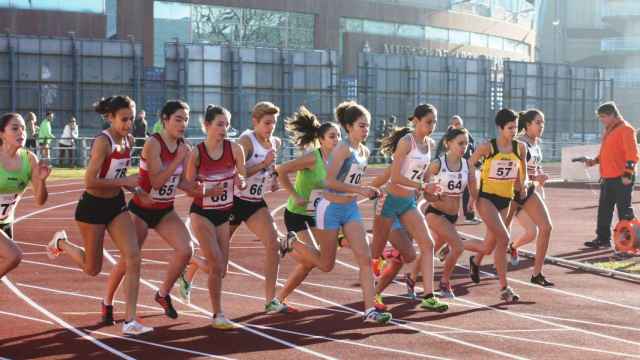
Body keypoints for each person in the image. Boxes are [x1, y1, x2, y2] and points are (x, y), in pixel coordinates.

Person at [46, 96, 153, 335]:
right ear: (110, 118)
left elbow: (120, 174)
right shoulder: (102, 142)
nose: (128, 124)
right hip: (92, 207)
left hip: (115, 205)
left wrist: (135, 190)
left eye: (131, 119)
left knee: (133, 256)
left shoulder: (129, 139)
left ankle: (130, 320)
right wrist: (126, 180)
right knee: (92, 268)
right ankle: (61, 242)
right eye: (124, 119)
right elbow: (90, 180)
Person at [102, 100, 197, 326]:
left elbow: (182, 182)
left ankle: (162, 294)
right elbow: (155, 181)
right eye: (178, 119)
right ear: (164, 119)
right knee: (128, 260)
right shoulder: (153, 144)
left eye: (186, 120)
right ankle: (107, 301)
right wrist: (178, 159)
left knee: (186, 250)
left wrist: (204, 189)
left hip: (165, 209)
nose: (183, 124)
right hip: (141, 210)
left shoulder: (183, 146)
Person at [314, 100, 392, 324]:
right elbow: (328, 181)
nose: (366, 130)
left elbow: (353, 179)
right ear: (348, 127)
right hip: (329, 208)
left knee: (365, 258)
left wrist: (373, 190)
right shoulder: (342, 149)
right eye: (361, 125)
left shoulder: (364, 151)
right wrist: (360, 189)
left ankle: (369, 311)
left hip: (349, 209)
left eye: (367, 125)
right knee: (326, 264)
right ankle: (291, 244)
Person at [370, 104, 448, 312]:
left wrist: (434, 192)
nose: (432, 126)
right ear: (416, 121)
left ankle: (429, 296)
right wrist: (423, 186)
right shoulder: (406, 143)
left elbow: (423, 178)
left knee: (424, 247)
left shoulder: (430, 144)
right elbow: (395, 177)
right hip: (389, 201)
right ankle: (358, 247)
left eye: (435, 122)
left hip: (407, 204)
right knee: (373, 255)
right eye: (428, 122)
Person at [179, 105, 247, 329]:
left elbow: (242, 175)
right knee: (216, 264)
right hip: (202, 214)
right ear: (206, 125)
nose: (224, 129)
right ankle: (218, 315)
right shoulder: (196, 153)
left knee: (221, 269)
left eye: (227, 124)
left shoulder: (235, 149)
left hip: (224, 214)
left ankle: (193, 261)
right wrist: (207, 191)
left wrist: (240, 181)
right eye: (219, 124)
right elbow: (188, 187)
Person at [270, 106, 341, 309]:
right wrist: (295, 195)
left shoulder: (337, 160)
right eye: (332, 136)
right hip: (297, 214)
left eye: (338, 136)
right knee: (322, 263)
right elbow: (281, 170)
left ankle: (278, 299)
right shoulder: (312, 158)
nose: (336, 140)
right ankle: (290, 241)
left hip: (316, 213)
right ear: (321, 139)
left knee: (316, 261)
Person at [467, 108, 528, 303]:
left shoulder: (520, 148)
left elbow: (522, 172)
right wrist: (472, 194)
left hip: (506, 199)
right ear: (500, 128)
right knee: (504, 238)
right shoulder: (488, 147)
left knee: (489, 245)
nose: (513, 131)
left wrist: (523, 186)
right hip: (486, 198)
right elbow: (470, 164)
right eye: (510, 128)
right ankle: (504, 287)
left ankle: (474, 260)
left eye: (516, 128)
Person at [0, 113, 50, 279]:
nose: (21, 132)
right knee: (14, 256)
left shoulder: (29, 159)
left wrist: (42, 181)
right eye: (15, 128)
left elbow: (40, 200)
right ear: (2, 134)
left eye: (23, 128)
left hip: (6, 224)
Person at [584, 101, 638, 249]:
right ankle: (602, 240)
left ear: (613, 115)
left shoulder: (626, 130)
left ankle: (629, 243)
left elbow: (633, 154)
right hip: (608, 177)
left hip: (622, 178)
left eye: (603, 117)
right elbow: (606, 153)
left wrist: (628, 173)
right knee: (604, 211)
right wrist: (594, 161)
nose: (601, 120)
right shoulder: (609, 130)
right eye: (600, 117)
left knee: (624, 212)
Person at [436, 115, 481, 224]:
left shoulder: (468, 136)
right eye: (454, 124)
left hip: (465, 169)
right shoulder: (446, 139)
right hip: (449, 171)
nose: (456, 126)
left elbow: (473, 151)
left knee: (468, 192)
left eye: (458, 123)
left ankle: (468, 215)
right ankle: (441, 215)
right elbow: (439, 154)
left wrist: (474, 163)